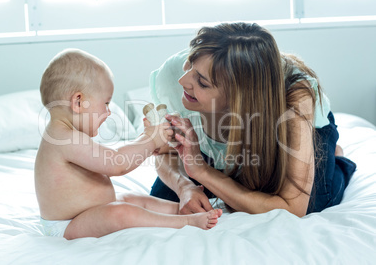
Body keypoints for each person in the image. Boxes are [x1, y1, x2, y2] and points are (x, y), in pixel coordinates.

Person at [148, 22, 357, 217]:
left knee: (314, 202)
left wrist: (202, 171)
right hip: (221, 142)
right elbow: (165, 153)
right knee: (165, 199)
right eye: (189, 65)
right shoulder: (173, 77)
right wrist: (184, 186)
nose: (182, 81)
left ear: (240, 98)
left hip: (288, 134)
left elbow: (293, 208)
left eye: (202, 82)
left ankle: (335, 156)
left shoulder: (296, 97)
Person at [35, 49, 222, 240]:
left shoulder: (66, 133)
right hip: (68, 225)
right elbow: (117, 163)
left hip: (87, 213)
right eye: (106, 103)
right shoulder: (63, 138)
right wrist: (150, 139)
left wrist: (147, 141)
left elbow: (115, 157)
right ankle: (186, 222)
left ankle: (182, 209)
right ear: (78, 102)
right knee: (121, 213)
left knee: (131, 199)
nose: (108, 112)